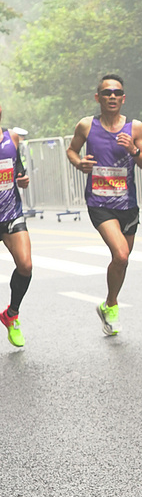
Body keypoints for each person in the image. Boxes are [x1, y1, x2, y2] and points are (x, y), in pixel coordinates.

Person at [66, 75, 142, 336]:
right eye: (107, 93)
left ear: (123, 98)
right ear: (98, 98)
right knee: (121, 254)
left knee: (122, 262)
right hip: (99, 202)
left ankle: (108, 303)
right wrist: (78, 162)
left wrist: (134, 152)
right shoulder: (86, 126)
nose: (112, 96)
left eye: (117, 92)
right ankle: (113, 306)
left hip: (127, 203)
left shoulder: (135, 128)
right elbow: (72, 150)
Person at [0, 105, 32, 347]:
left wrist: (23, 179)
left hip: (11, 213)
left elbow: (18, 172)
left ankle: (11, 315)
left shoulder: (12, 137)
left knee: (25, 265)